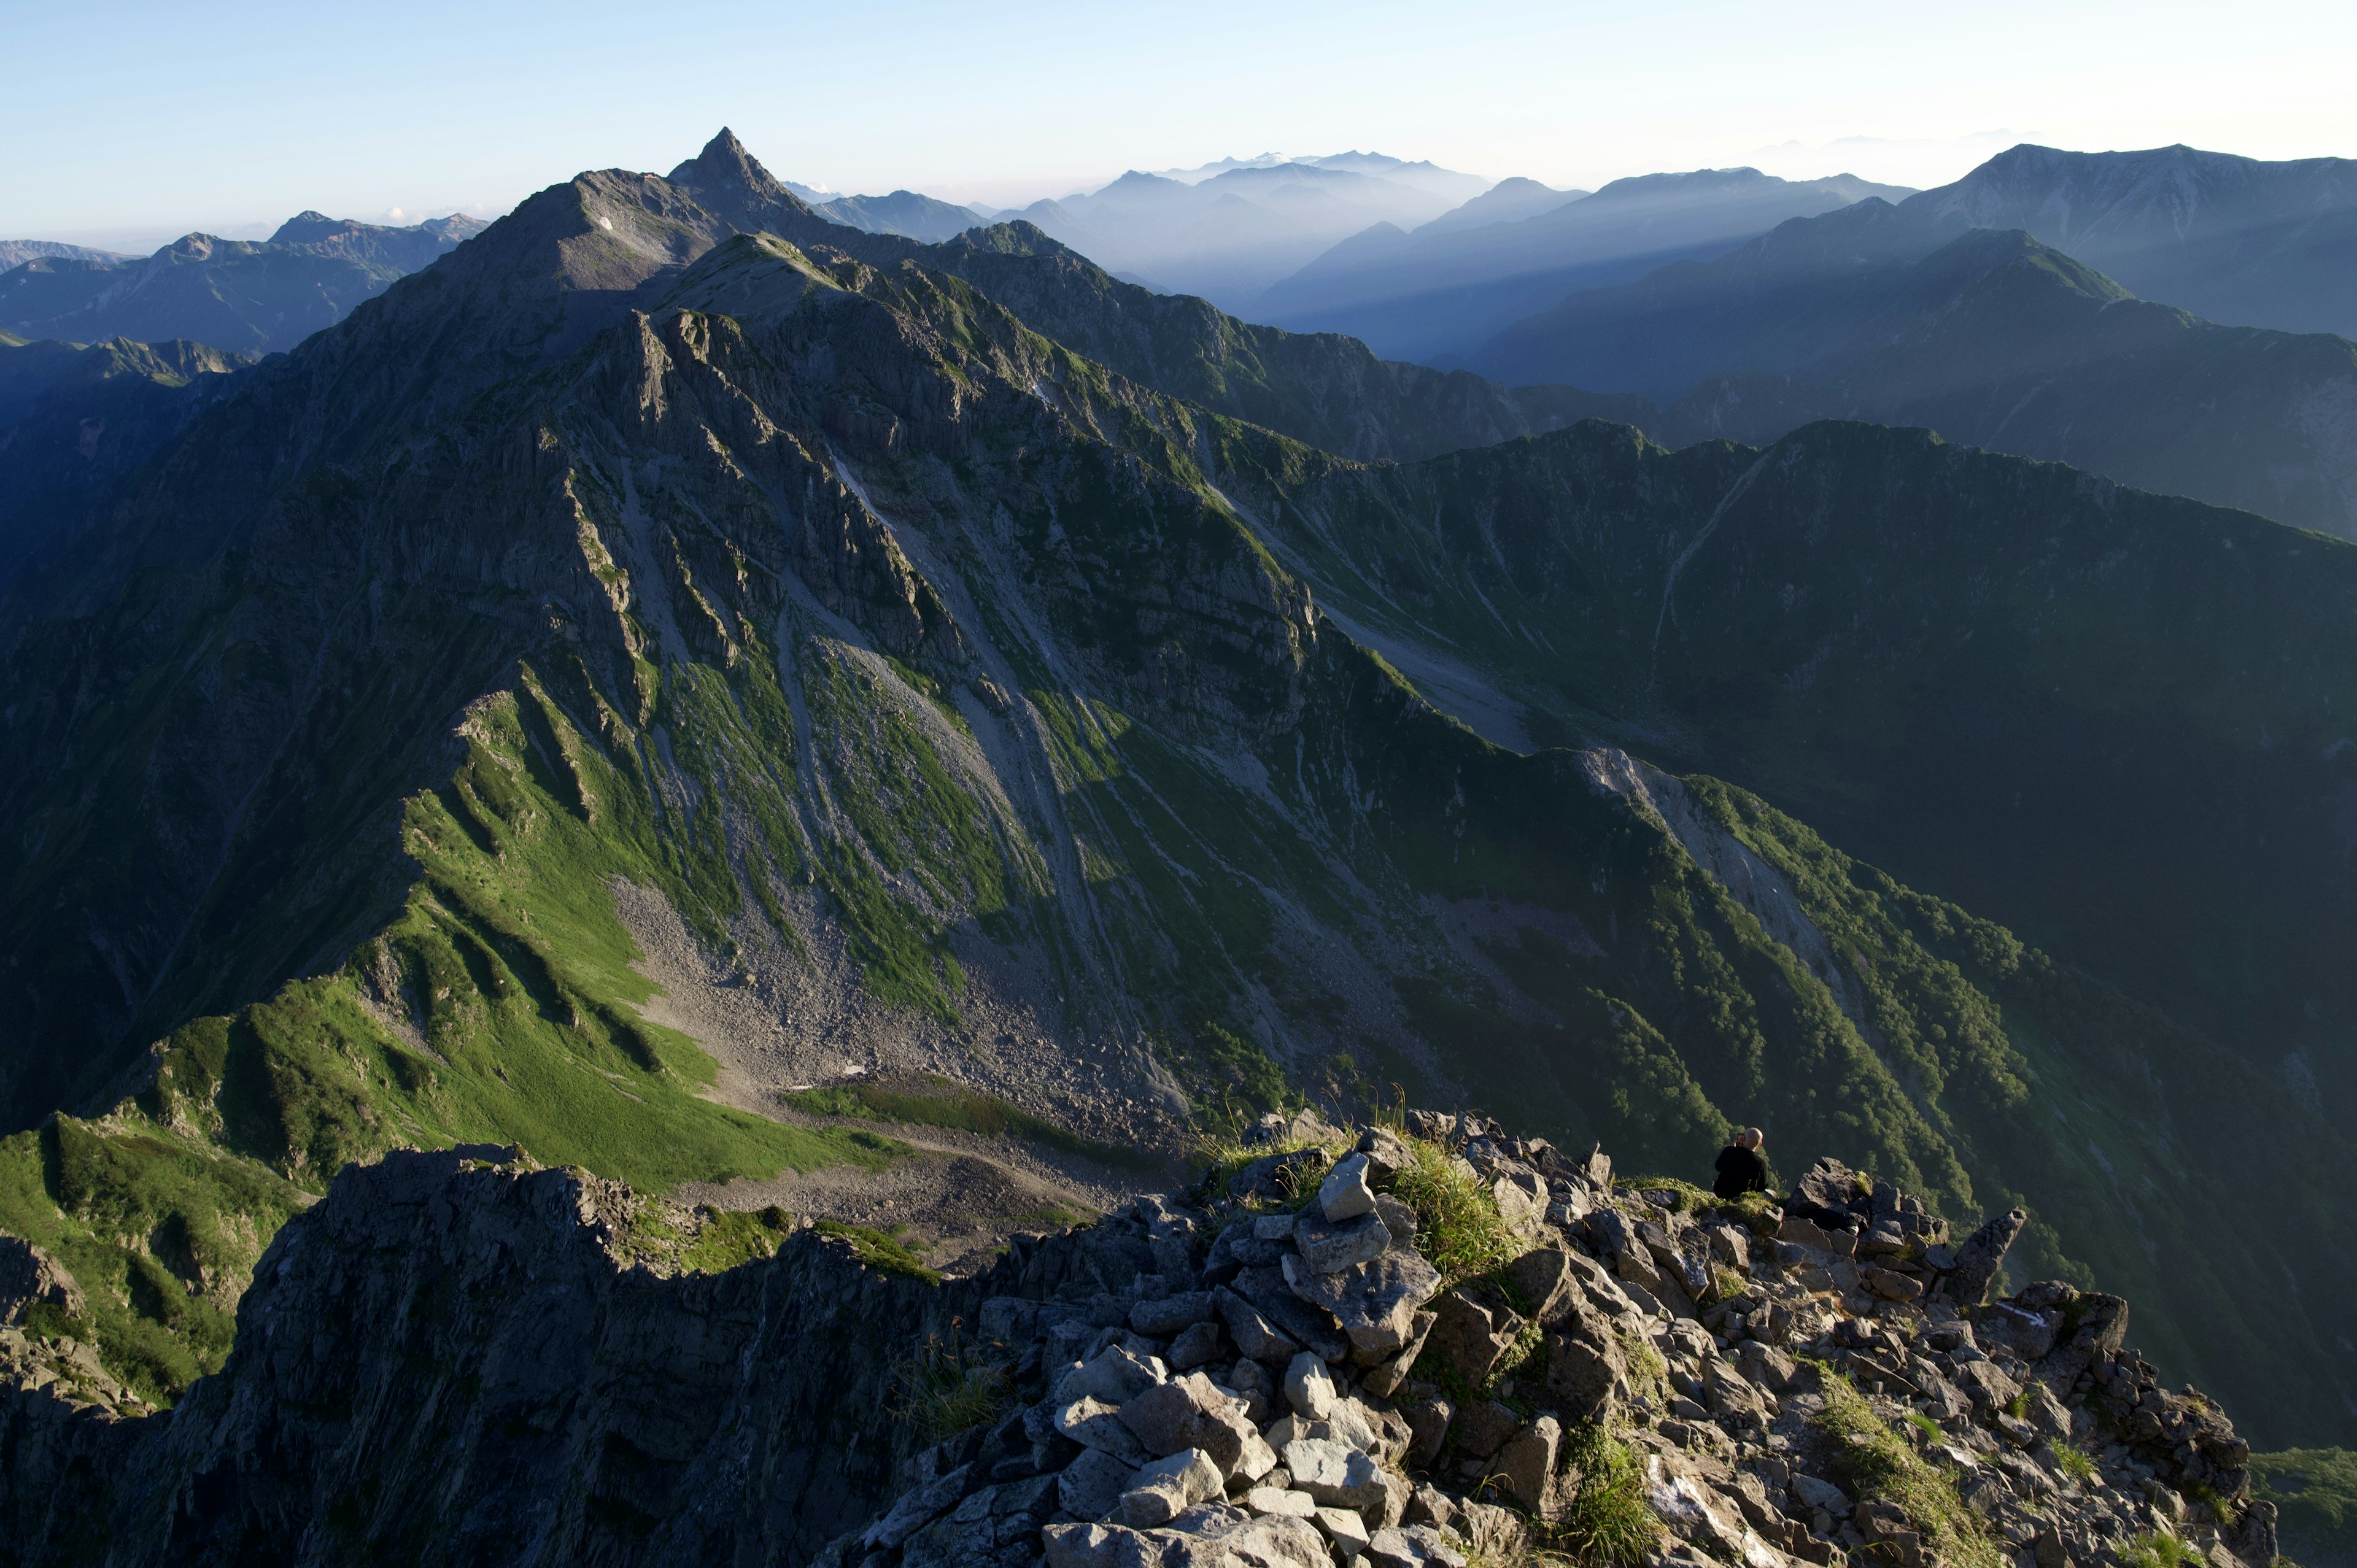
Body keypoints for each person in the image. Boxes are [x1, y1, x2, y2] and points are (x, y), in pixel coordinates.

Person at [1713, 1127, 1770, 1200]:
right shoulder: (1761, 1164)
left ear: (1744, 1139)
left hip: (1721, 1193)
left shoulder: (1729, 1151)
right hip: (1744, 1198)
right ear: (1760, 1144)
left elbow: (1718, 1167)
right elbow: (1763, 1186)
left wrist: (1732, 1150)